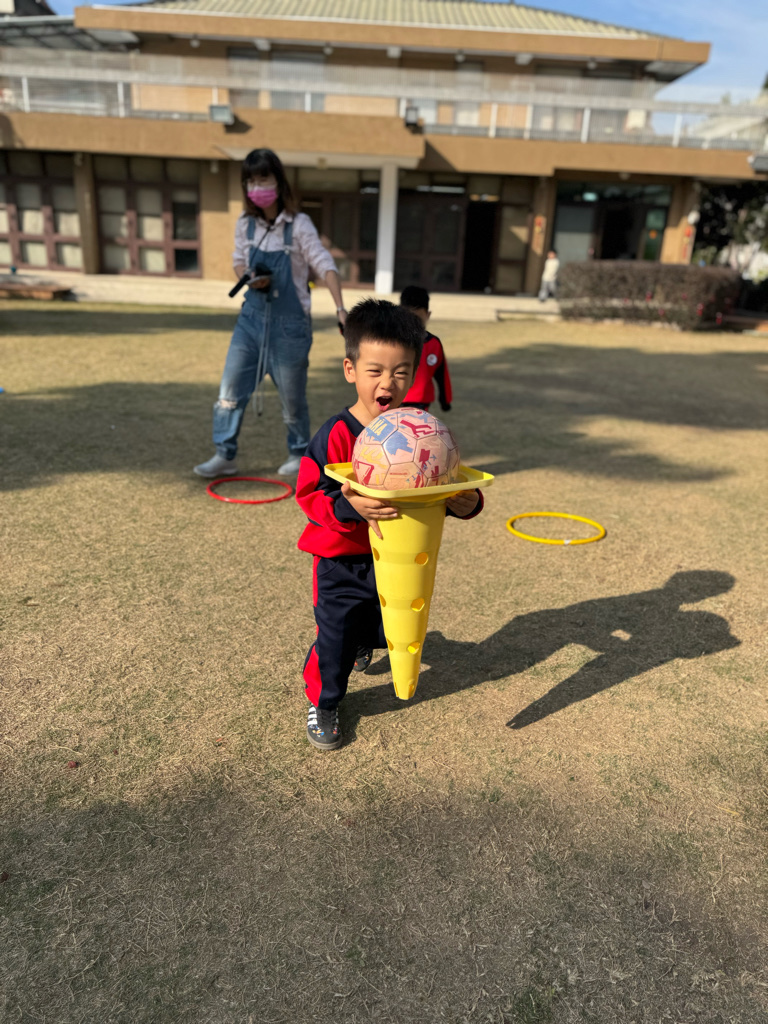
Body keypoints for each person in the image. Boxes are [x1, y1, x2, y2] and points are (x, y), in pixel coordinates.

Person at [295, 298, 484, 751]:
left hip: (398, 560)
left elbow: (444, 485)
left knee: (385, 628)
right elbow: (309, 493)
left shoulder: (422, 433)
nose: (388, 383)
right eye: (375, 370)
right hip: (342, 563)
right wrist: (348, 508)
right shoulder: (336, 433)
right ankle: (324, 701)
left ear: (414, 373)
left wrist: (464, 503)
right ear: (350, 369)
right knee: (336, 637)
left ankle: (364, 641)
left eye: (401, 372)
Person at [194, 148, 347, 479]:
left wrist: (340, 308)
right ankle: (224, 454)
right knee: (229, 393)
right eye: (250, 181)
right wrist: (249, 277)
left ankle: (298, 454)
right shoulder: (245, 224)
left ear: (278, 181)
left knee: (292, 400)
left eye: (263, 178)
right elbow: (238, 260)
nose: (256, 187)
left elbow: (324, 264)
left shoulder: (299, 224)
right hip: (250, 321)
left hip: (290, 328)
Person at [398, 285, 453, 413]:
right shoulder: (391, 340)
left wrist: (445, 400)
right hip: (395, 401)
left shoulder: (434, 343)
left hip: (421, 405)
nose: (413, 323)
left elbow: (442, 374)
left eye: (417, 318)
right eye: (409, 317)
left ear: (428, 315)